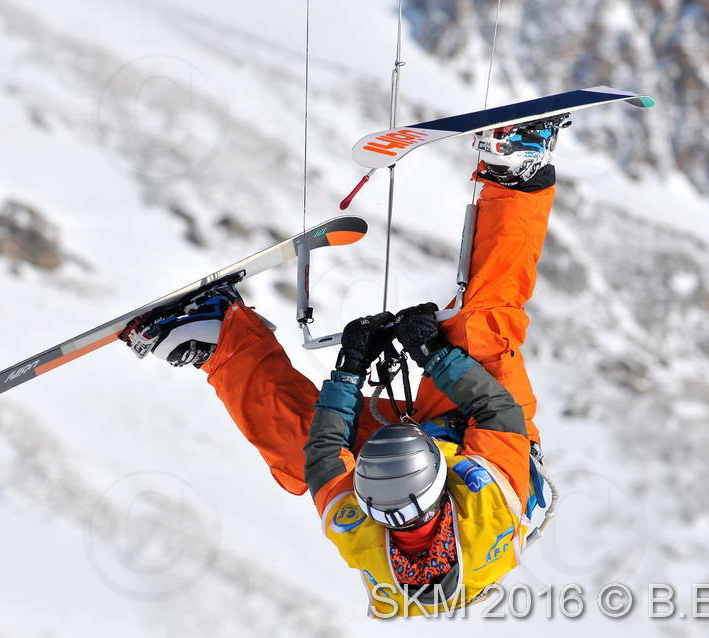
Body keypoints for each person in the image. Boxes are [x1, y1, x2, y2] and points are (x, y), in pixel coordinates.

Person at [122, 115, 569, 616]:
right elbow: (495, 411)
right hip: (482, 430)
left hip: (438, 445)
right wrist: (433, 355)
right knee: (481, 330)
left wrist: (351, 369)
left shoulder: (357, 530)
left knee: (296, 459)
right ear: (439, 480)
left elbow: (322, 457)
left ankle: (219, 337)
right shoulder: (487, 505)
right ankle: (519, 176)